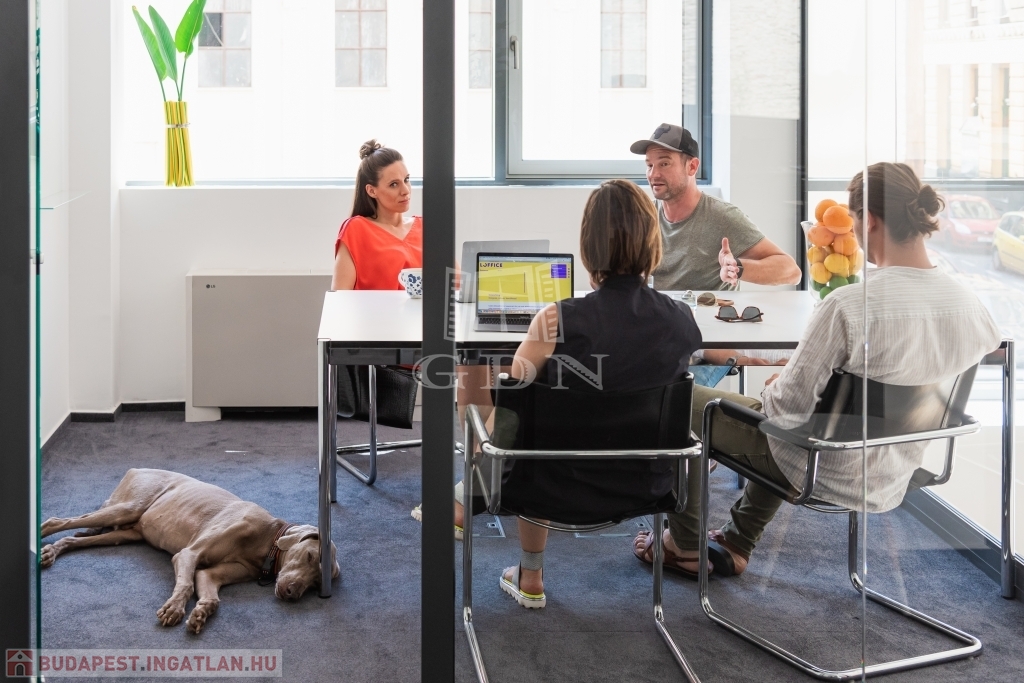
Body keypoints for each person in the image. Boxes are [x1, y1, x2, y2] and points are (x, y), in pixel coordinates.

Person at [632, 162, 1002, 578]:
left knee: (675, 396)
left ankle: (682, 545)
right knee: (798, 413)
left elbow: (784, 409)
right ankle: (737, 542)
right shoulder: (971, 305)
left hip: (823, 462)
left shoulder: (848, 306)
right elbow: (981, 350)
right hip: (896, 465)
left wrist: (780, 383)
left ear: (869, 220)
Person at [458, 180, 703, 608]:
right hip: (645, 486)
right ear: (653, 244)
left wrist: (475, 417)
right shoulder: (681, 320)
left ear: (588, 248)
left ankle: (528, 571)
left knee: (519, 426)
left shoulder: (555, 320)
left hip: (551, 486)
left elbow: (508, 417)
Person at [630, 123, 801, 291]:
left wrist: (736, 268)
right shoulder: (645, 218)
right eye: (649, 165)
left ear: (692, 167)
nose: (653, 174)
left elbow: (792, 272)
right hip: (659, 309)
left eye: (664, 164)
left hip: (706, 311)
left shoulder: (722, 216)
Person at [332, 140, 421, 291]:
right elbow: (340, 297)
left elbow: (457, 287)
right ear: (372, 191)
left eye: (406, 180)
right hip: (374, 308)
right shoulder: (356, 230)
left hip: (425, 308)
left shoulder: (426, 228)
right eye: (394, 184)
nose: (405, 190)